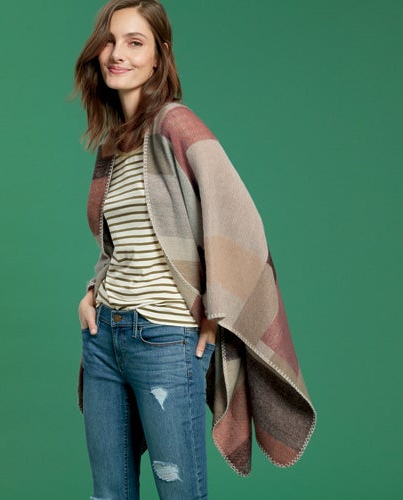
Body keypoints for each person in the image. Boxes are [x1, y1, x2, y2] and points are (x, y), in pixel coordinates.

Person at [73, 1, 316, 499]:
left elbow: (238, 219)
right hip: (104, 338)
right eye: (111, 41)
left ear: (159, 56)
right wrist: (92, 292)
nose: (118, 54)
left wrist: (215, 313)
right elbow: (123, 243)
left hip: (163, 340)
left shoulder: (175, 124)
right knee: (107, 494)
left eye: (135, 42)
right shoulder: (113, 147)